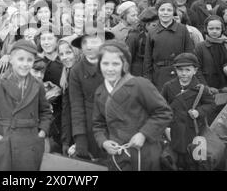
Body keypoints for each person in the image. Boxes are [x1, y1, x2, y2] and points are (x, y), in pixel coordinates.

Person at [92, 40, 172, 171]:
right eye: (105, 63)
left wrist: (143, 134)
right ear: (99, 65)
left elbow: (163, 112)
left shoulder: (140, 84)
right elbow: (98, 124)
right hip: (117, 158)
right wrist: (104, 142)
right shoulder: (100, 92)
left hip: (145, 155)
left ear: (125, 65)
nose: (110, 69)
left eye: (116, 64)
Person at [0, 40, 52, 171]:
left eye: (29, 60)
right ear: (11, 59)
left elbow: (45, 112)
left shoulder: (38, 85)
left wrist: (42, 132)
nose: (25, 64)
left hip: (30, 144)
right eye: (20, 59)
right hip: (4, 142)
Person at [161, 53, 215, 171]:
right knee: (174, 162)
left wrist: (199, 112)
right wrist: (166, 127)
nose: (184, 73)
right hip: (174, 131)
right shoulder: (168, 86)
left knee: (193, 162)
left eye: (187, 70)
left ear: (195, 70)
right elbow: (162, 107)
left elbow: (211, 104)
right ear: (175, 70)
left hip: (194, 132)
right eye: (180, 70)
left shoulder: (201, 88)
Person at [69, 29, 114, 162]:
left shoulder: (116, 64)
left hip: (115, 124)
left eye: (94, 41)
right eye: (85, 42)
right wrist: (80, 137)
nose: (89, 46)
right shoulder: (76, 71)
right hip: (91, 126)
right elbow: (76, 107)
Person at [144, 0, 194, 91]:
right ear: (157, 12)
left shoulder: (182, 29)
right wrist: (148, 80)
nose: (165, 13)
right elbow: (147, 60)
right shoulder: (152, 32)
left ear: (174, 12)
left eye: (169, 10)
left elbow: (189, 54)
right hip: (158, 76)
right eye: (162, 10)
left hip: (179, 75)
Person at [57, 39, 80, 156]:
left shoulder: (82, 73)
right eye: (61, 54)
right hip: (72, 136)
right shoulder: (66, 73)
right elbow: (67, 110)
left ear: (76, 52)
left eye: (68, 52)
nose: (64, 57)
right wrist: (65, 141)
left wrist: (79, 142)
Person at [126, 7, 158, 77]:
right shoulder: (134, 36)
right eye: (154, 25)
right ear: (145, 24)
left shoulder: (158, 36)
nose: (157, 28)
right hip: (136, 74)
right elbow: (127, 58)